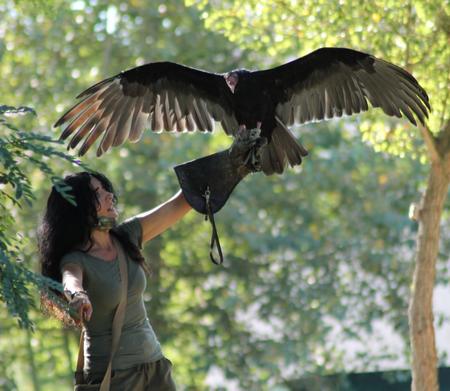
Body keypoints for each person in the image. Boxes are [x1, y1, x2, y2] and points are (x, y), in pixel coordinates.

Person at [39, 171, 191, 390]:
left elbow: (180, 203)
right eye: (97, 193)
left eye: (106, 188)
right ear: (79, 207)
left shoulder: (127, 236)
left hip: (155, 368)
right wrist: (78, 296)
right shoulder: (75, 259)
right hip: (113, 377)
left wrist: (232, 164)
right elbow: (71, 279)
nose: (109, 195)